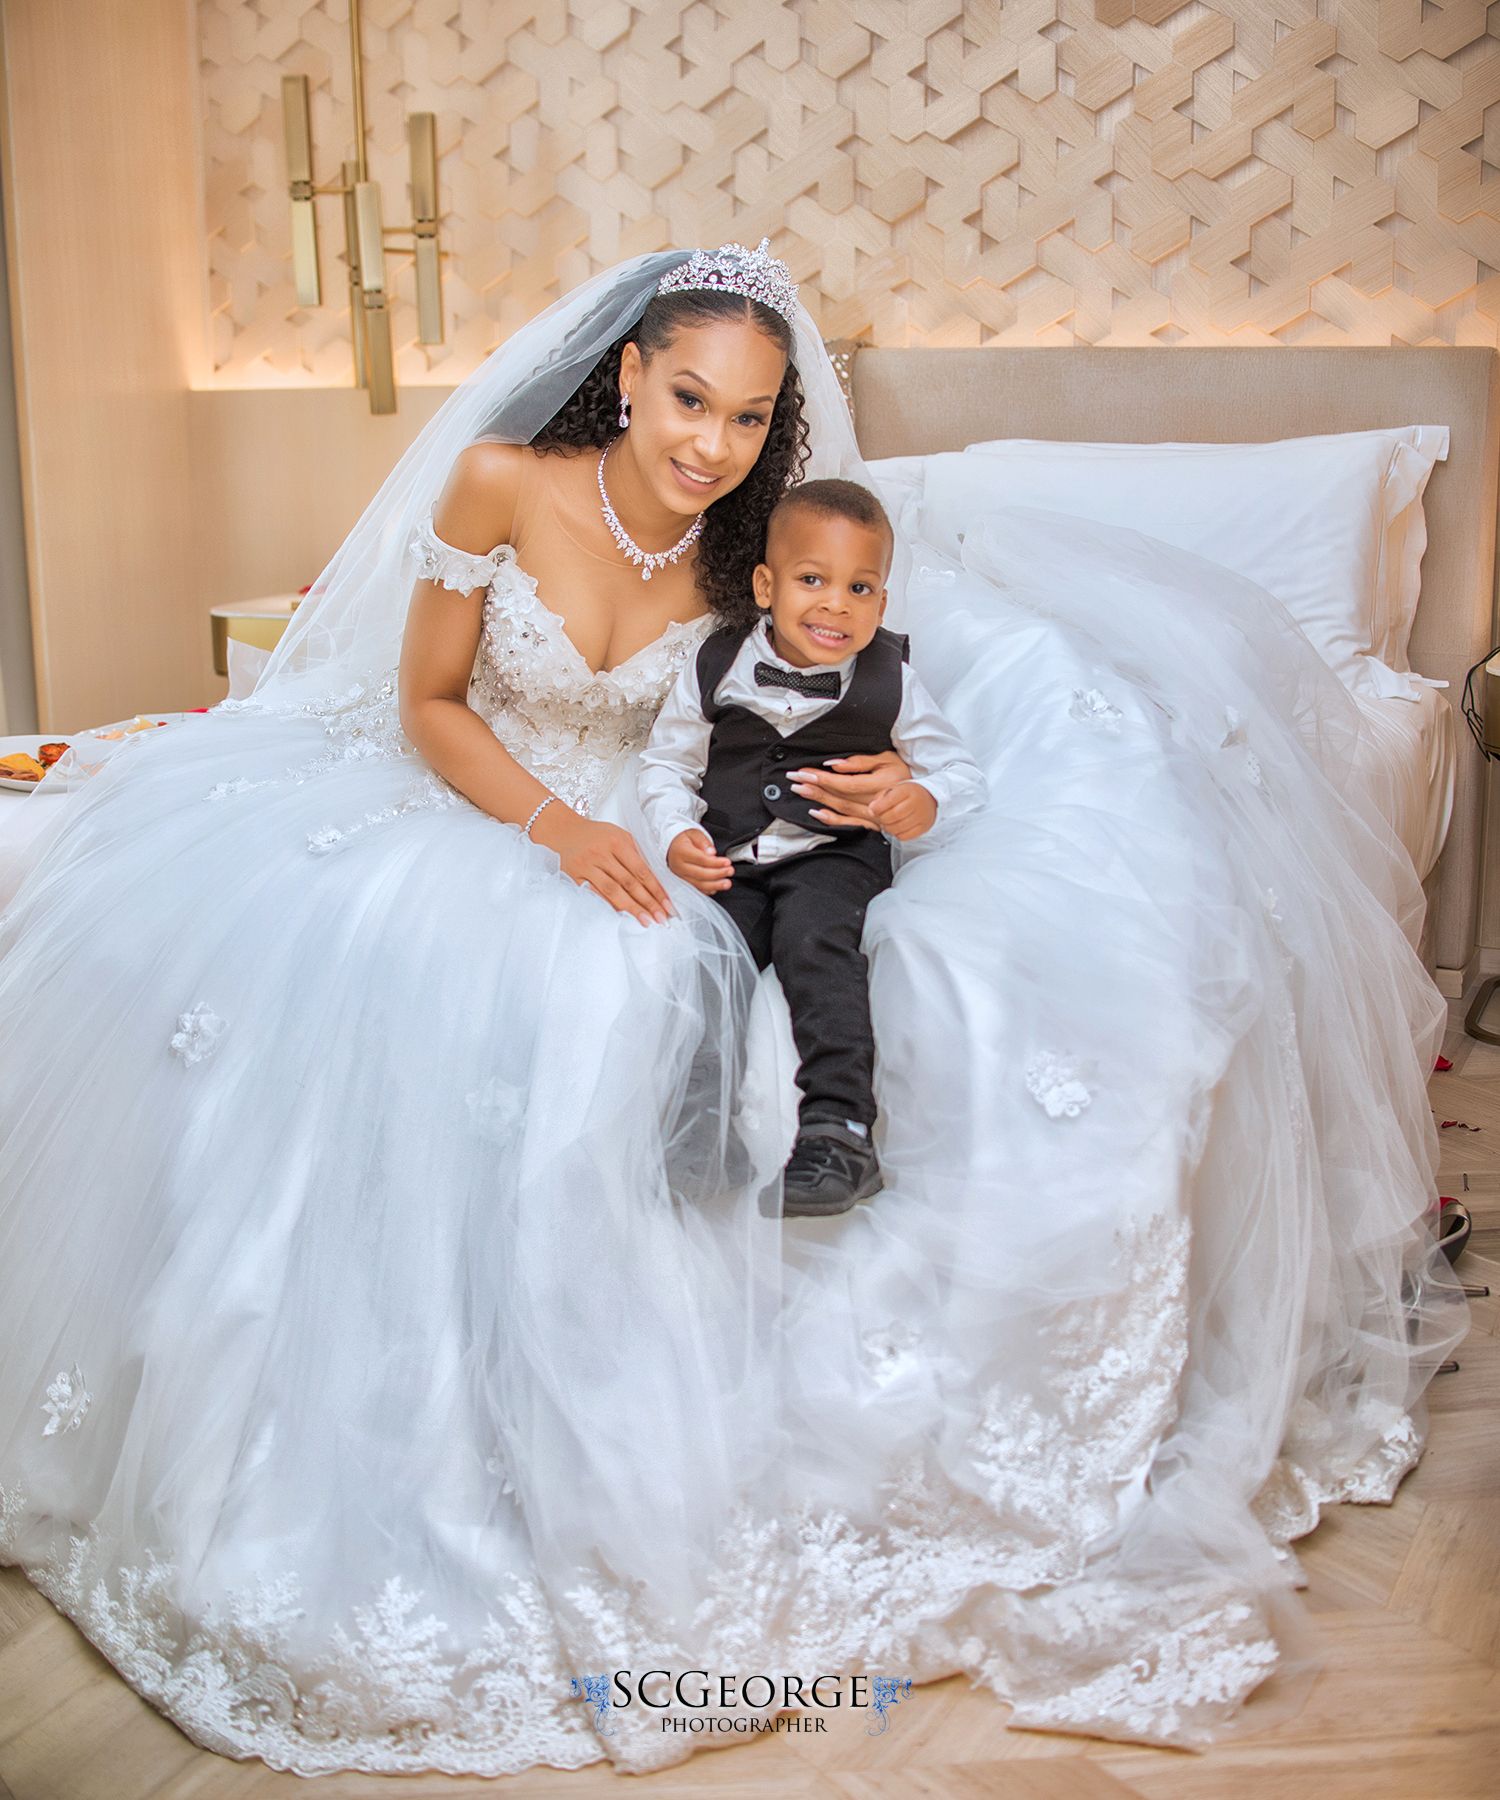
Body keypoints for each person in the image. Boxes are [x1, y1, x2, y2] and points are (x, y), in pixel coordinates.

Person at [0, 242, 1466, 1778]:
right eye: (690, 399)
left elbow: (806, 725)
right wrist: (556, 828)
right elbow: (428, 700)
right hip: (479, 802)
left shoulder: (758, 561)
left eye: (751, 418)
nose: (712, 444)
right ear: (630, 375)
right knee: (414, 959)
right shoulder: (501, 481)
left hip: (654, 826)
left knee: (704, 975)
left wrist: (875, 794)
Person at [639, 477, 985, 1213]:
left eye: (860, 588)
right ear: (766, 586)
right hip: (731, 857)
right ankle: (699, 1132)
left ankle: (840, 1133)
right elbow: (667, 763)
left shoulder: (892, 678)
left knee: (818, 949)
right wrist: (675, 833)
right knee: (711, 962)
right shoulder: (715, 663)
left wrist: (926, 798)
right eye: (812, 580)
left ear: (882, 603)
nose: (836, 604)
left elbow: (960, 772)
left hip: (835, 857)